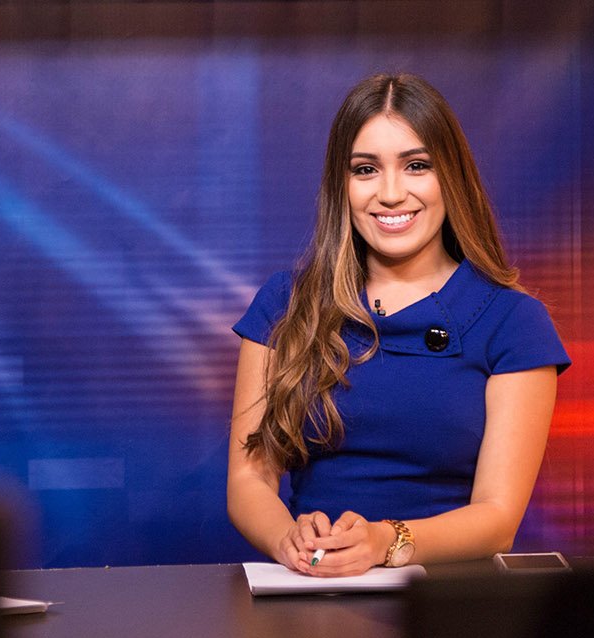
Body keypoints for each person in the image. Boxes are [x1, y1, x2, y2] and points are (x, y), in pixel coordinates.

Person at [228, 73, 569, 576]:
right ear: (341, 185)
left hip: (445, 601)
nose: (391, 193)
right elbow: (248, 479)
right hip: (311, 587)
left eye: (416, 166)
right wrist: (289, 541)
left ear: (449, 176)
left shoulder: (513, 321)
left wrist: (384, 541)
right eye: (365, 169)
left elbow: (497, 518)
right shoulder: (286, 304)